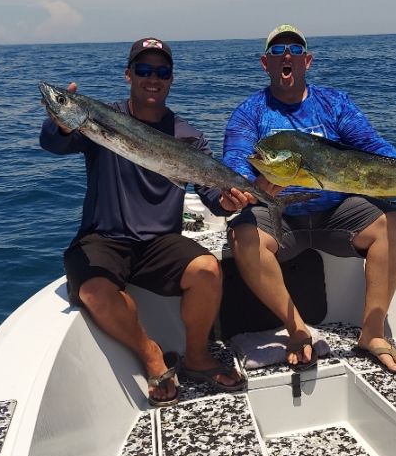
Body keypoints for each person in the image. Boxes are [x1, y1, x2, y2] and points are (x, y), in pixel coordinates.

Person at [223, 26, 396, 374]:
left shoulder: (335, 103)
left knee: (394, 222)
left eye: (295, 50)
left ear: (307, 61)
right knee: (242, 235)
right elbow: (235, 164)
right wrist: (253, 187)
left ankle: (373, 334)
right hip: (280, 218)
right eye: (278, 50)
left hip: (335, 215)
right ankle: (297, 329)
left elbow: (374, 147)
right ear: (265, 63)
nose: (287, 55)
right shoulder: (249, 112)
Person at [40, 37, 249, 405]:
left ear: (171, 79)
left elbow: (213, 199)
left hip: (160, 242)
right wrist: (61, 121)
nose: (153, 78)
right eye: (144, 69)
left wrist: (229, 202)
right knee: (93, 289)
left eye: (162, 72)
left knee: (207, 269)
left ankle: (197, 356)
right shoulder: (100, 117)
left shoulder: (189, 137)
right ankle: (151, 355)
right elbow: (53, 145)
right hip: (104, 236)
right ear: (129, 75)